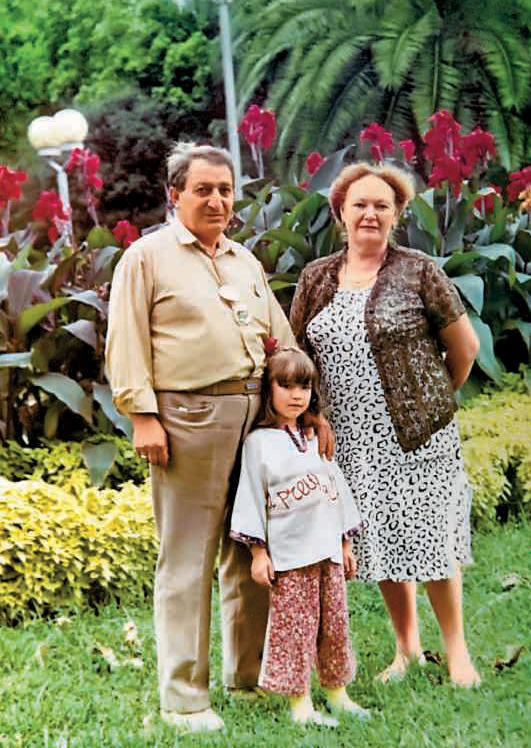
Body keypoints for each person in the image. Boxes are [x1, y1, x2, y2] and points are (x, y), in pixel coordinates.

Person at [106, 142, 311, 732]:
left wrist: (304, 409)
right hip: (186, 419)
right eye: (203, 190)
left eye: (225, 190)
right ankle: (184, 698)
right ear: (175, 194)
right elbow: (125, 341)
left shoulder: (244, 261)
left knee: (250, 549)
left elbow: (281, 340)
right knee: (187, 557)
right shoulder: (146, 258)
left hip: (255, 417)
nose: (217, 200)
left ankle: (248, 677)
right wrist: (143, 416)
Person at [290, 162, 481, 688]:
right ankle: (406, 649)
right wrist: (312, 415)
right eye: (360, 204)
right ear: (341, 213)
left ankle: (457, 652)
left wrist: (432, 398)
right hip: (349, 437)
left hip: (418, 434)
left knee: (431, 535)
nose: (370, 214)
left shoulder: (419, 270)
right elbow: (298, 355)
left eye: (382, 205)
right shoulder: (316, 278)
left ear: (397, 214)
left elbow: (465, 348)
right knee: (382, 534)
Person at [230, 346, 368, 725]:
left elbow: (336, 490)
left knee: (334, 626)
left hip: (328, 553)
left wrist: (345, 544)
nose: (296, 395)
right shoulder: (258, 444)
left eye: (304, 387)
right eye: (286, 386)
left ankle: (338, 694)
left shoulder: (315, 437)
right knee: (295, 630)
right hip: (291, 558)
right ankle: (300, 704)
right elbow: (251, 498)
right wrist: (259, 554)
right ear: (269, 390)